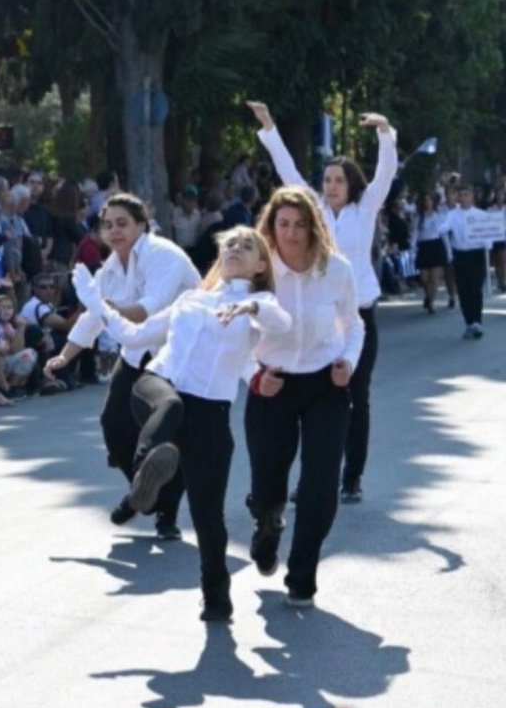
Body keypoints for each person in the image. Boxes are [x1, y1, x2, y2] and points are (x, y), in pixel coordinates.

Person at [74, 226, 290, 621]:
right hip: (157, 387)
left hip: (210, 414)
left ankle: (217, 599)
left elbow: (280, 324)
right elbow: (135, 335)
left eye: (247, 246)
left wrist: (251, 317)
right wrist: (95, 302)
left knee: (208, 518)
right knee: (170, 407)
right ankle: (144, 482)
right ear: (219, 258)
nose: (235, 250)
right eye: (229, 245)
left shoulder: (261, 305)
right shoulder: (191, 299)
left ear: (261, 264)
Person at [249, 101, 396, 503]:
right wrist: (269, 126)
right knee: (310, 401)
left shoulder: (365, 209)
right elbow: (287, 172)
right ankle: (311, 480)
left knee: (355, 396)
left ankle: (352, 477)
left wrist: (385, 131)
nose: (330, 185)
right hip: (315, 317)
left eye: (338, 180)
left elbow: (386, 173)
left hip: (357, 315)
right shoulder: (310, 210)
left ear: (351, 185)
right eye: (327, 179)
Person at [43, 193, 200, 540]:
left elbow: (147, 310)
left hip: (178, 355)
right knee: (114, 425)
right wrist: (64, 357)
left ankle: (166, 515)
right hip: (136, 352)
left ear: (142, 225)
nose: (114, 231)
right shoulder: (111, 267)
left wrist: (99, 304)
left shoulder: (165, 256)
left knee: (166, 435)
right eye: (108, 225)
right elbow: (92, 317)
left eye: (122, 223)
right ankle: (144, 492)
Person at [245, 187, 364, 608]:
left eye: (299, 225)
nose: (291, 235)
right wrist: (254, 377)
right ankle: (266, 523)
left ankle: (302, 575)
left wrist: (347, 361)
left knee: (319, 487)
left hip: (324, 386)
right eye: (283, 225)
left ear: (313, 227)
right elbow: (232, 332)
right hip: (271, 384)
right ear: (270, 228)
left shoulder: (337, 270)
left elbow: (353, 325)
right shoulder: (256, 271)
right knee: (266, 489)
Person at [438, 184, 491, 339]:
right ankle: (469, 322)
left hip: (476, 254)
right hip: (460, 255)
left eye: (466, 195)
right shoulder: (453, 214)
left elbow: (489, 232)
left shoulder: (481, 214)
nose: (463, 198)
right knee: (464, 290)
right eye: (460, 195)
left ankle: (477, 322)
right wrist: (443, 229)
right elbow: (445, 227)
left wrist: (488, 242)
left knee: (475, 289)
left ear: (472, 197)